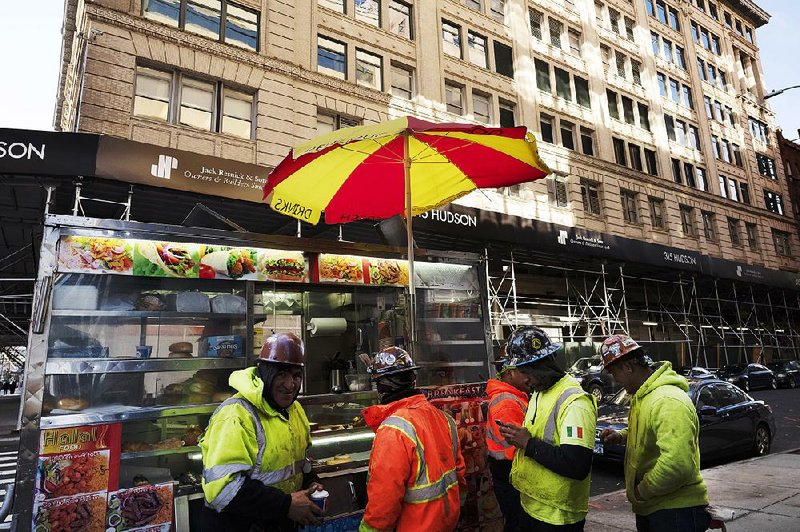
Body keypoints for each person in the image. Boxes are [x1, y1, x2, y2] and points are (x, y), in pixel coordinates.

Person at [199, 333, 324, 531]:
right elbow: (223, 490)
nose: (290, 385)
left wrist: (311, 483)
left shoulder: (294, 409)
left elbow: (300, 462)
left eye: (296, 375)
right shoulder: (236, 415)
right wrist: (286, 504)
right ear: (265, 373)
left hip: (274, 523)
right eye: (281, 374)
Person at [597, 335, 710, 532]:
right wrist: (622, 436)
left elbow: (677, 464)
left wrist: (642, 491)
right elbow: (651, 430)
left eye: (613, 372)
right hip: (656, 508)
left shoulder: (667, 400)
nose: (614, 380)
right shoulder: (644, 396)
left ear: (628, 367)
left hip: (674, 512)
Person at [498, 326, 597, 531]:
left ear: (542, 366)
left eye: (525, 371)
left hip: (557, 516)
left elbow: (576, 466)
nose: (523, 379)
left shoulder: (575, 402)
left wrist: (528, 443)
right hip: (532, 507)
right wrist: (519, 438)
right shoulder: (539, 393)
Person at [358, 346, 467, 532]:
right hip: (447, 523)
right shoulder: (443, 418)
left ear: (382, 386)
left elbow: (384, 501)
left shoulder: (393, 430)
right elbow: (459, 474)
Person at [485, 346, 531, 532]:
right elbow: (517, 448)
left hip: (508, 474)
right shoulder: (507, 402)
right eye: (524, 371)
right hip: (511, 475)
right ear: (510, 373)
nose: (529, 376)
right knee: (518, 524)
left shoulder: (514, 397)